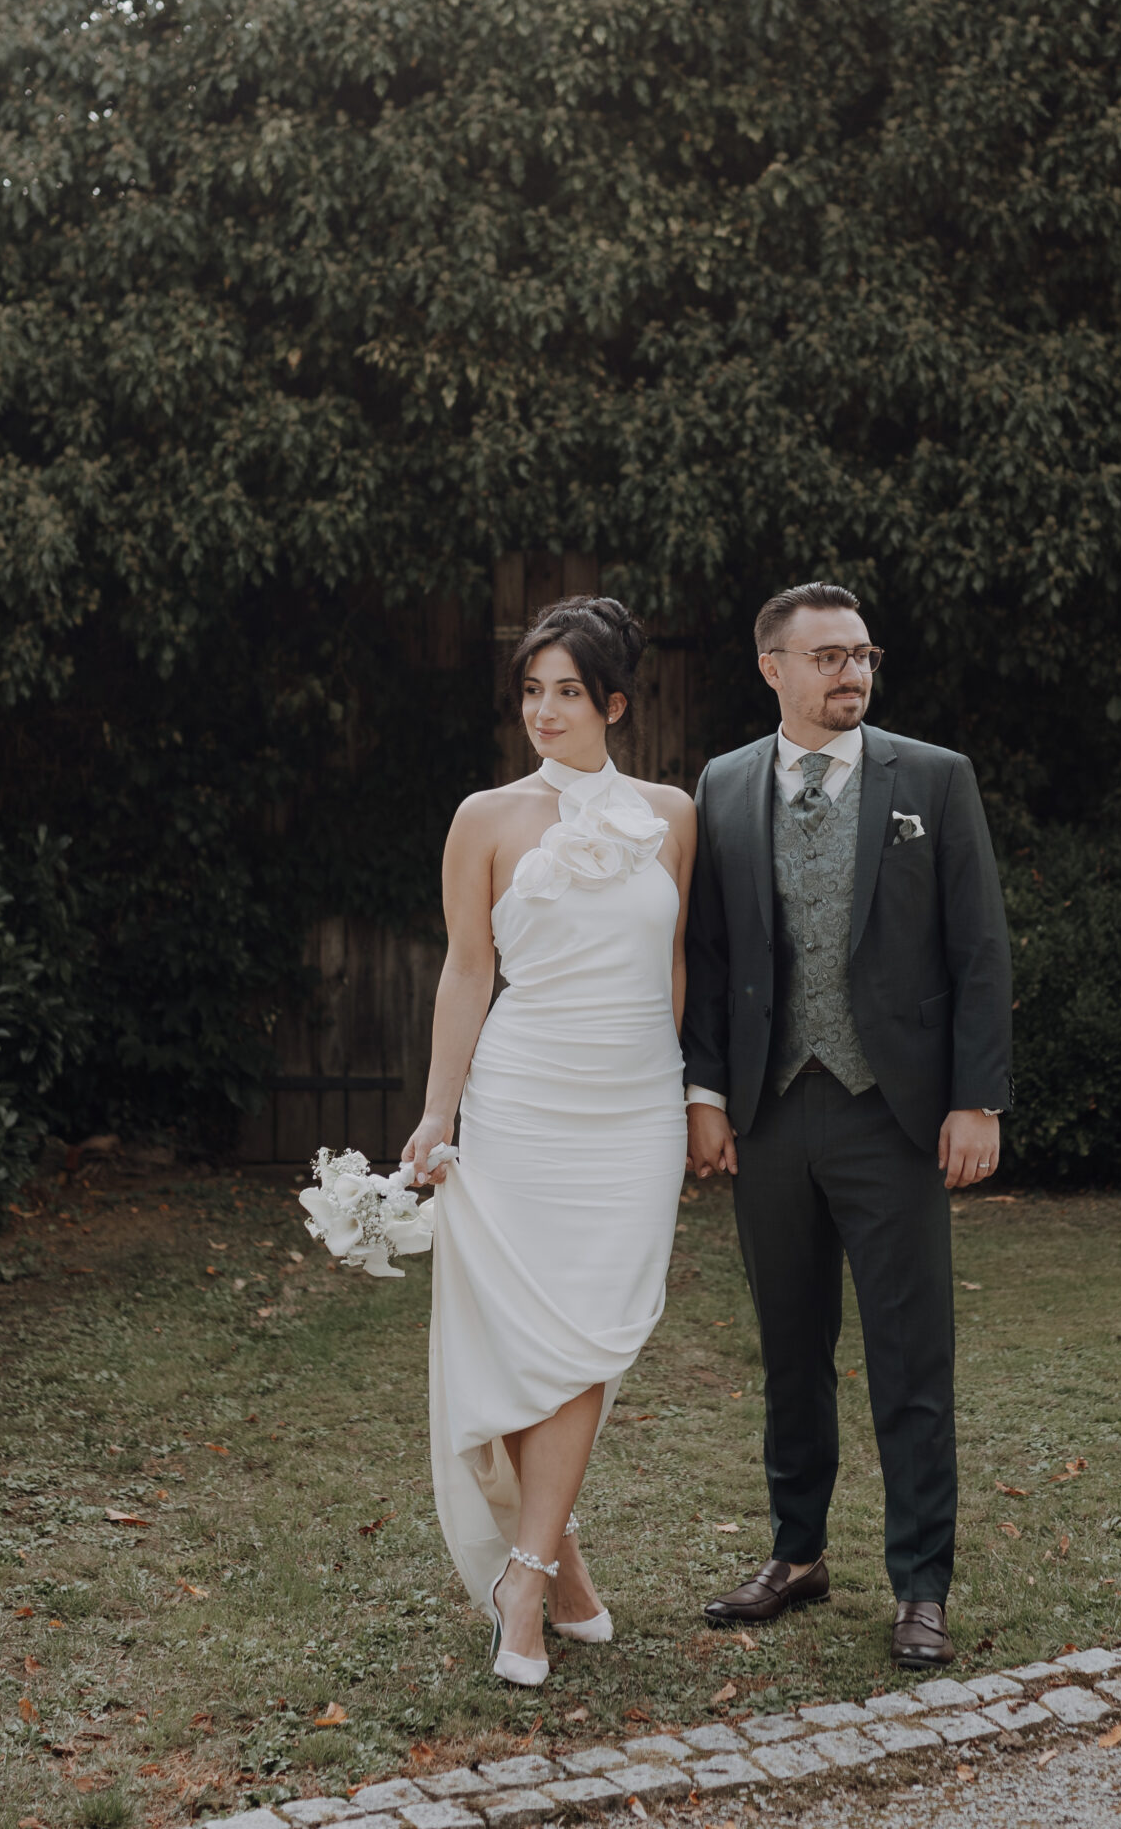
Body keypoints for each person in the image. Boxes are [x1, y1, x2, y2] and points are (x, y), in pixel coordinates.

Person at [681, 581, 1011, 1670]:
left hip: (894, 1113)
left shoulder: (933, 777)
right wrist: (706, 1094)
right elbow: (711, 953)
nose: (851, 674)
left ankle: (920, 1585)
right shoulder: (725, 783)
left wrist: (975, 1098)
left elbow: (978, 949)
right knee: (790, 1350)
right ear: (771, 667)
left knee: (910, 1357)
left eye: (862, 655)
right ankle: (797, 1552)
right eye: (827, 657)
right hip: (772, 1112)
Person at [400, 597, 694, 1688]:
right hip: (522, 1104)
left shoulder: (671, 815)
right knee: (533, 1341)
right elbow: (466, 969)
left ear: (613, 703)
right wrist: (440, 1111)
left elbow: (673, 965)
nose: (545, 711)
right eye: (531, 691)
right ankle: (535, 1577)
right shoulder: (483, 817)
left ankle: (541, 1567)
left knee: (589, 1338)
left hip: (634, 1113)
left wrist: (680, 1094)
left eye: (568, 691)